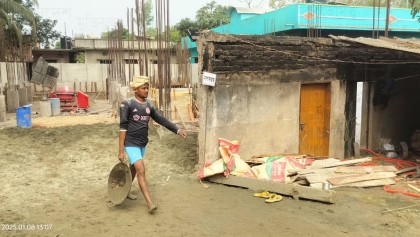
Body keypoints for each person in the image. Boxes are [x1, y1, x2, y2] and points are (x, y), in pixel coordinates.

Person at [118, 75, 187, 214]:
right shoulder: (127, 104)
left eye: (147, 87)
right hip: (131, 143)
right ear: (135, 89)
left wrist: (177, 129)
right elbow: (122, 128)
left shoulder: (149, 105)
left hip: (143, 143)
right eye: (143, 88)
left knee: (133, 169)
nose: (147, 90)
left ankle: (124, 191)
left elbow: (161, 119)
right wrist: (121, 150)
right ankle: (150, 203)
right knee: (141, 170)